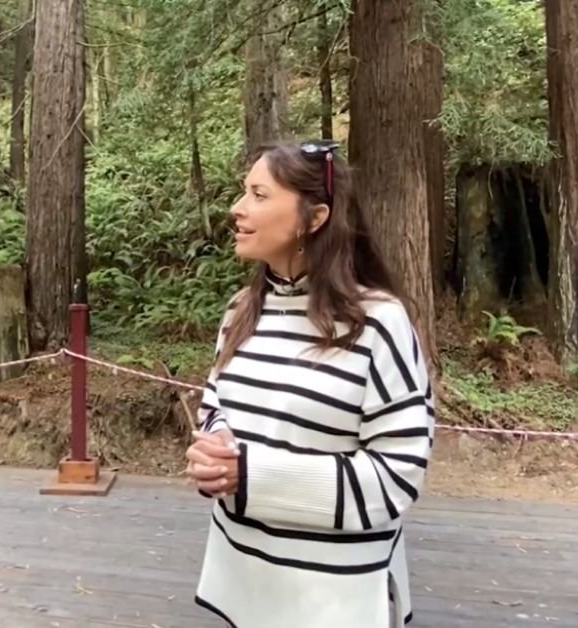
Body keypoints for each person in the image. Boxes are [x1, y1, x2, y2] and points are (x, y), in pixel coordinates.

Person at [185, 140, 434, 628]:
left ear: (313, 218)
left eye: (258, 195)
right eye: (243, 193)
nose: (237, 209)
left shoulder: (378, 323)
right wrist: (214, 447)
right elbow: (215, 404)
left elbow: (396, 477)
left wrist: (251, 475)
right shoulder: (241, 311)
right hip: (246, 580)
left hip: (334, 597)